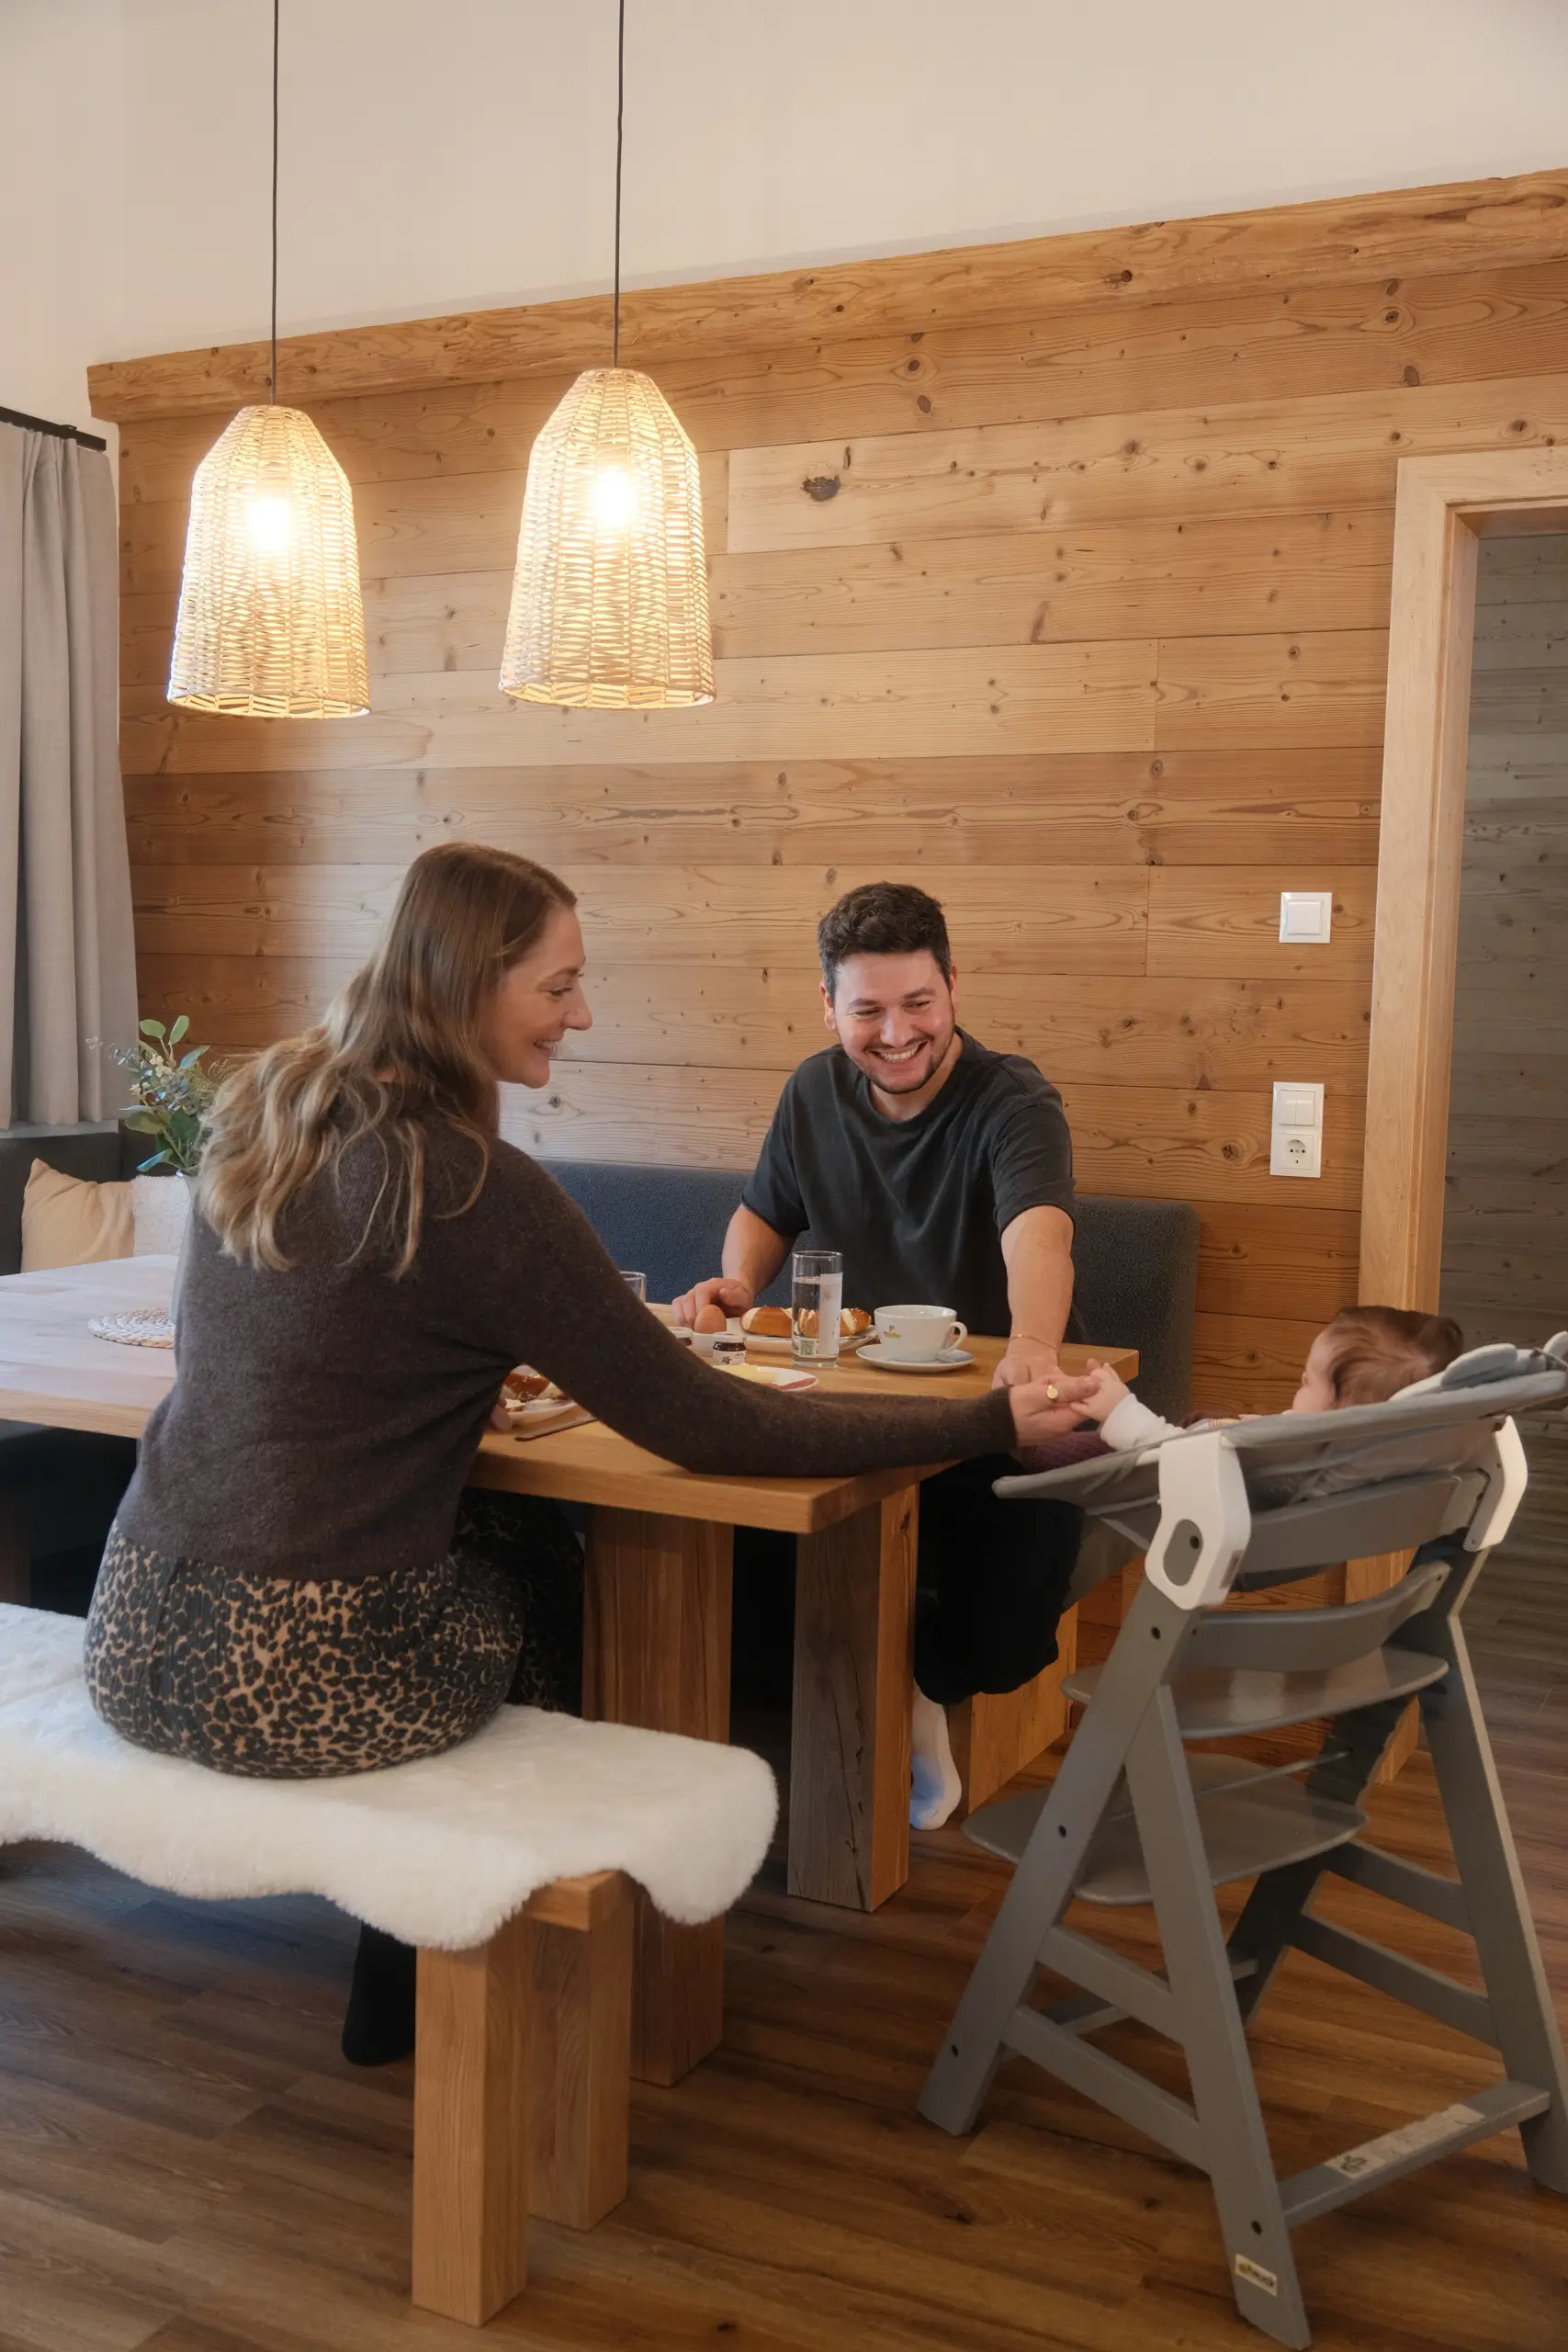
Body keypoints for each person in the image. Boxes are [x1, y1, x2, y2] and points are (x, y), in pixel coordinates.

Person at [83, 843, 1089, 2055]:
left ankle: (413, 1967)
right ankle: (551, 2000)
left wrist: (430, 1402)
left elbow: (245, 1361)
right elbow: (705, 1422)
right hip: (292, 1684)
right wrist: (983, 1422)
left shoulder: (260, 1116)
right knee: (574, 1596)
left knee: (503, 1529)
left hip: (133, 1626)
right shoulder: (474, 1185)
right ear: (469, 982)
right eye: (557, 985)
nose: (583, 1011)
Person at [671, 880, 1084, 1831]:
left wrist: (1031, 1345)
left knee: (1006, 1617)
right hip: (850, 1412)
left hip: (987, 1418)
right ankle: (854, 1718)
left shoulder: (1012, 1098)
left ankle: (922, 1688)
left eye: (918, 1005)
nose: (897, 1034)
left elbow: (1041, 1234)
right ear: (829, 1008)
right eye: (868, 1011)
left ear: (953, 989)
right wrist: (736, 1282)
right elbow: (764, 1213)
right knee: (723, 1542)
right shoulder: (813, 1090)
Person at [1073, 1305, 1466, 1451]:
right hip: (1199, 1438)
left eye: (1308, 1383)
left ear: (1343, 1413)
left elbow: (1169, 1454)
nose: (1300, 1383)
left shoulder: (1278, 1454)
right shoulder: (1340, 1451)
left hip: (1163, 1464)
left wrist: (1119, 1408)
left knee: (1052, 1453)